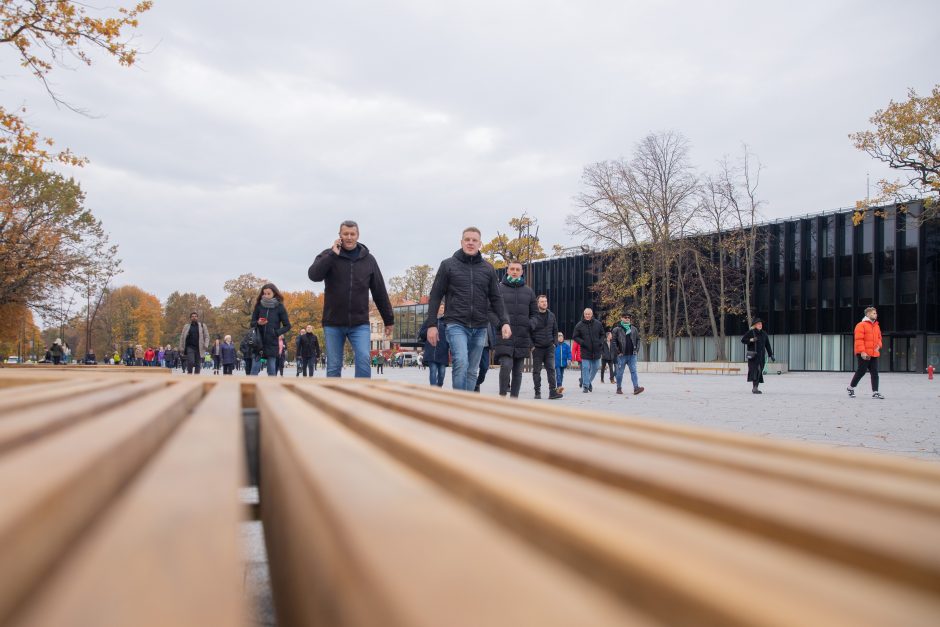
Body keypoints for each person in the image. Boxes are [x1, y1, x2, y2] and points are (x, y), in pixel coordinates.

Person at [425, 227, 511, 392]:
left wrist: (505, 321)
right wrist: (431, 324)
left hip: (480, 326)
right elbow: (435, 295)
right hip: (456, 324)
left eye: (474, 240)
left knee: (472, 370)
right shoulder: (448, 265)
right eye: (467, 239)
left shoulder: (488, 269)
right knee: (461, 361)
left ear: (480, 244)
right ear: (461, 242)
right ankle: (459, 406)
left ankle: (467, 404)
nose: (470, 242)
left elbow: (496, 298)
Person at [309, 220, 394, 378]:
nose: (349, 237)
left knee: (363, 359)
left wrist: (388, 319)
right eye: (345, 234)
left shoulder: (369, 260)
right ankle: (333, 401)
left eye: (352, 234)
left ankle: (362, 398)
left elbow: (379, 291)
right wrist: (331, 255)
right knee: (334, 366)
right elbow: (314, 275)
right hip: (333, 322)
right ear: (339, 235)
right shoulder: (329, 255)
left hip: (359, 323)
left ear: (358, 235)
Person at [490, 261, 537, 398]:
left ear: (522, 272)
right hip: (504, 336)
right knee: (506, 365)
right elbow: (490, 310)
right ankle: (502, 396)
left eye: (517, 269)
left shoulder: (528, 291)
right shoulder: (499, 289)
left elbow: (535, 314)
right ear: (508, 271)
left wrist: (531, 324)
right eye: (512, 269)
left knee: (518, 371)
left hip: (522, 336)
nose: (515, 271)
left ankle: (514, 400)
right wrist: (499, 324)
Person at [250, 283, 291, 376]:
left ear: (274, 293)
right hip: (258, 342)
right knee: (254, 370)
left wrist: (276, 333)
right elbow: (252, 323)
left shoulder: (280, 307)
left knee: (272, 370)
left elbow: (287, 325)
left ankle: (272, 389)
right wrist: (258, 323)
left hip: (272, 343)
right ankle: (251, 389)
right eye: (264, 294)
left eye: (269, 293)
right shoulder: (259, 306)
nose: (266, 296)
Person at [847, 306, 884, 399]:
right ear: (868, 314)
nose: (876, 315)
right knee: (861, 371)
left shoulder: (876, 326)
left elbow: (879, 338)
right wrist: (862, 352)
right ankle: (850, 388)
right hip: (864, 354)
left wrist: (878, 346)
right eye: (873, 313)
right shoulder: (861, 325)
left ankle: (875, 392)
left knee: (875, 372)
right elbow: (859, 340)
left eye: (876, 313)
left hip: (874, 353)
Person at [531, 295, 563, 399]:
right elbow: (528, 332)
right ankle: (537, 392)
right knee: (537, 371)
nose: (544, 303)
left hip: (549, 347)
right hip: (537, 348)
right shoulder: (533, 316)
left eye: (545, 301)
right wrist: (532, 346)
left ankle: (552, 392)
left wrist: (555, 344)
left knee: (551, 369)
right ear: (538, 303)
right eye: (542, 301)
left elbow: (555, 330)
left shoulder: (551, 315)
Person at [572, 308, 605, 393]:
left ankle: (588, 381)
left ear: (592, 314)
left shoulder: (598, 324)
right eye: (586, 314)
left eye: (589, 314)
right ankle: (586, 386)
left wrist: (600, 342)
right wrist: (582, 342)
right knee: (586, 368)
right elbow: (575, 336)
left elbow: (602, 334)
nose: (587, 316)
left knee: (596, 367)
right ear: (584, 314)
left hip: (596, 350)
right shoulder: (579, 325)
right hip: (585, 350)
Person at [612, 312, 644, 396]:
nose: (627, 318)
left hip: (632, 355)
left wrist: (636, 350)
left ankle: (636, 388)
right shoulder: (616, 329)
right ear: (621, 318)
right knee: (620, 373)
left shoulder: (634, 329)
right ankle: (619, 388)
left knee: (634, 371)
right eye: (625, 317)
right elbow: (613, 341)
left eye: (628, 317)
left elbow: (638, 340)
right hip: (622, 355)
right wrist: (618, 352)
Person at [741, 318, 775, 394]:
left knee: (759, 371)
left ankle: (755, 387)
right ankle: (755, 387)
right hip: (753, 357)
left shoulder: (764, 334)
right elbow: (743, 340)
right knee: (755, 371)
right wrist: (751, 340)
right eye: (759, 324)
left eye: (761, 324)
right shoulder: (751, 332)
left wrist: (771, 355)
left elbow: (767, 345)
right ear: (755, 325)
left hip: (761, 356)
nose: (760, 325)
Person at [419, 303, 450, 387]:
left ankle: (439, 387)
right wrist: (429, 331)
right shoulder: (430, 320)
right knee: (433, 371)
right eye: (440, 307)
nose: (441, 309)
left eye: (443, 307)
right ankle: (433, 391)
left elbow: (451, 336)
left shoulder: (447, 321)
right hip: (431, 351)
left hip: (443, 351)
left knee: (442, 374)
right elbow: (421, 333)